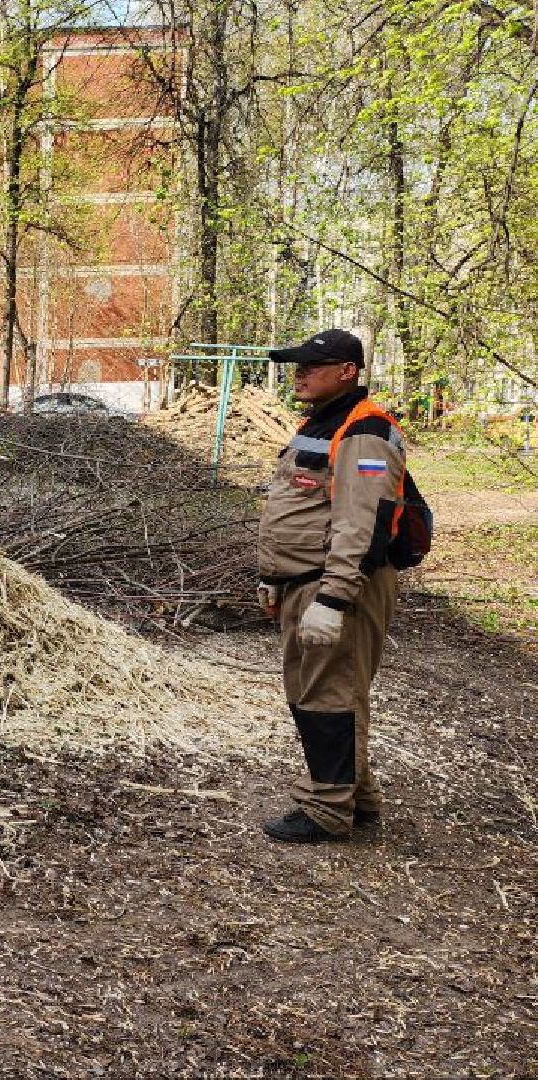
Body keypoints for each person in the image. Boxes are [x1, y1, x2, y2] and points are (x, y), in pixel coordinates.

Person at [255, 328, 408, 843]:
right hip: (305, 580)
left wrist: (333, 598)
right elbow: (300, 506)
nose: (298, 372)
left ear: (348, 372)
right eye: (296, 364)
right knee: (328, 690)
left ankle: (326, 807)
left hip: (338, 584)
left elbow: (359, 523)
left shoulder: (364, 431)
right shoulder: (320, 424)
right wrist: (276, 576)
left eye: (312, 365)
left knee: (327, 695)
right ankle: (356, 796)